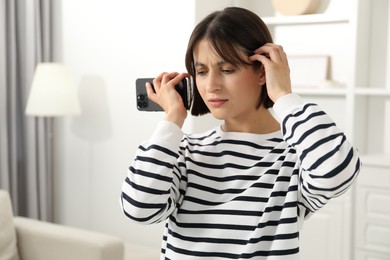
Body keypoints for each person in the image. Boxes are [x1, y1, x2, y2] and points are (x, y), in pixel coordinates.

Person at [120, 6, 361, 260]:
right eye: (201, 72)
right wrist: (171, 121)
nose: (211, 85)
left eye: (227, 70)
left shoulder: (296, 157)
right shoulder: (182, 152)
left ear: (262, 71)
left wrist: (283, 96)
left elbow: (337, 172)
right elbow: (139, 208)